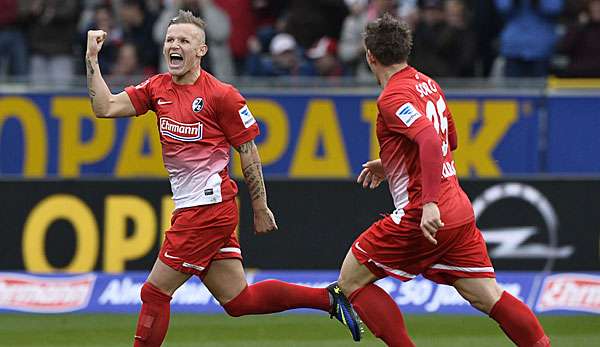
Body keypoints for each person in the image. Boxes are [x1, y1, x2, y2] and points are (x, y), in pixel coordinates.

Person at [84, 10, 361, 347]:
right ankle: (329, 299)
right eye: (171, 39)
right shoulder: (158, 88)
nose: (174, 45)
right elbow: (105, 107)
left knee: (154, 291)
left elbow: (249, 152)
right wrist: (92, 59)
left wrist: (260, 207)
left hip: (208, 208)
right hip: (198, 207)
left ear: (201, 50)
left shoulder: (221, 95)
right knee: (238, 301)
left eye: (184, 40)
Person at [331, 13, 551, 347]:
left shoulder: (391, 98)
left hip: (423, 212)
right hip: (458, 210)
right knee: (487, 295)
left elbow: (433, 142)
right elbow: (450, 139)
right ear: (407, 50)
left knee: (350, 282)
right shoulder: (428, 83)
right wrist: (389, 162)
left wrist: (429, 203)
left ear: (369, 56)